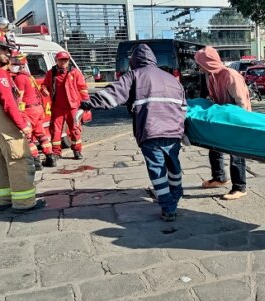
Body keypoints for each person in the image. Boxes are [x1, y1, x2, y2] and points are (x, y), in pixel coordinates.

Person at [83, 44, 186, 222]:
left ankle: (168, 207)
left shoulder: (134, 75)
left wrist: (89, 103)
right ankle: (176, 194)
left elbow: (113, 95)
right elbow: (184, 107)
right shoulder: (171, 79)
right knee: (173, 164)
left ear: (134, 61)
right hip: (174, 131)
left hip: (150, 130)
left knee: (157, 169)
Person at [0, 29, 45, 212]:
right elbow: (8, 102)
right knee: (18, 162)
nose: (8, 54)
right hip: (5, 126)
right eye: (3, 50)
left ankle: (2, 201)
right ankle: (24, 203)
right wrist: (23, 125)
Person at [195, 46, 250, 200]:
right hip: (222, 119)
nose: (198, 67)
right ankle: (219, 178)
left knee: (236, 152)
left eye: (199, 64)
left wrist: (239, 124)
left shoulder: (231, 76)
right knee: (214, 147)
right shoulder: (210, 75)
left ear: (208, 63)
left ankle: (240, 187)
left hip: (237, 120)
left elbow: (242, 104)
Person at [10, 51, 57, 170]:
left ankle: (36, 162)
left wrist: (18, 113)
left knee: (27, 137)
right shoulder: (28, 76)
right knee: (41, 134)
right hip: (37, 109)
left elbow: (19, 98)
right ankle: (50, 157)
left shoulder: (20, 78)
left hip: (29, 110)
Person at [42, 51, 89, 160]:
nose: (63, 62)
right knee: (55, 130)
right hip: (57, 107)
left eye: (65, 60)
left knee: (75, 129)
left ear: (68, 61)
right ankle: (56, 152)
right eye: (60, 60)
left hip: (73, 106)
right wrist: (44, 90)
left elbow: (82, 87)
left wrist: (86, 102)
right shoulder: (51, 73)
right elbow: (44, 85)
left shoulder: (75, 72)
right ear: (56, 61)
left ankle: (77, 151)